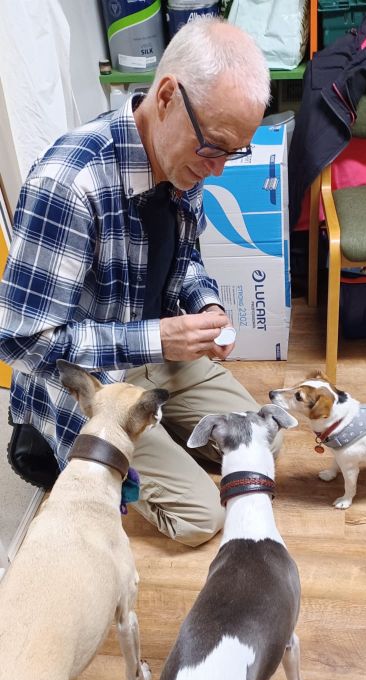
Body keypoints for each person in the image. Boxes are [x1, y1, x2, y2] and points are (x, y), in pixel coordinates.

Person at [0, 18, 270, 546]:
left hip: (156, 356)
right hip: (92, 386)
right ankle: (86, 450)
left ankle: (157, 428)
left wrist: (206, 303)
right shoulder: (68, 184)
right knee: (201, 520)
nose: (217, 170)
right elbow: (19, 340)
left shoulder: (183, 161)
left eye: (232, 153)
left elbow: (186, 259)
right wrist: (160, 337)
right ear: (166, 96)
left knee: (261, 441)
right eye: (215, 147)